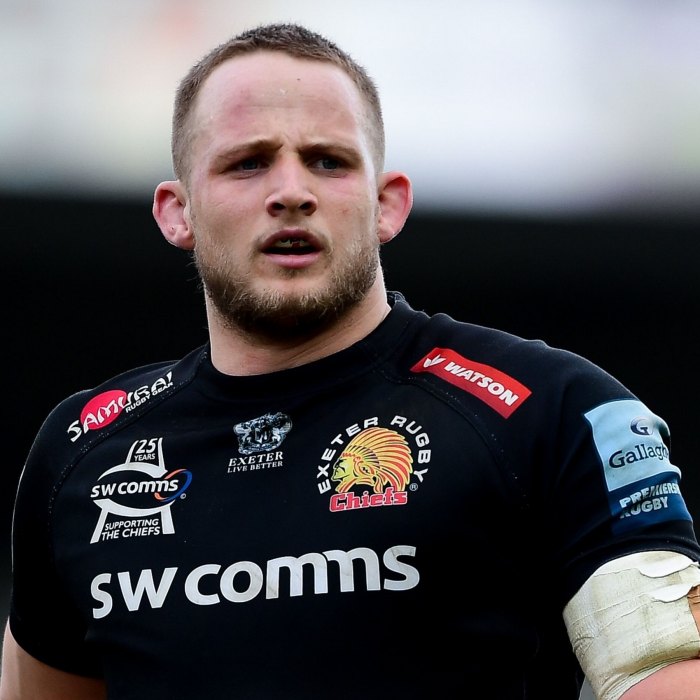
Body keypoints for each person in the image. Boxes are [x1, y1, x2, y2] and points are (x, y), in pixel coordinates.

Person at [1, 21, 699, 700]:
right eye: (247, 163)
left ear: (387, 205)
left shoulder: (552, 409)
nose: (291, 192)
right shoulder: (80, 453)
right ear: (176, 212)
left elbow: (665, 676)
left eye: (328, 161)